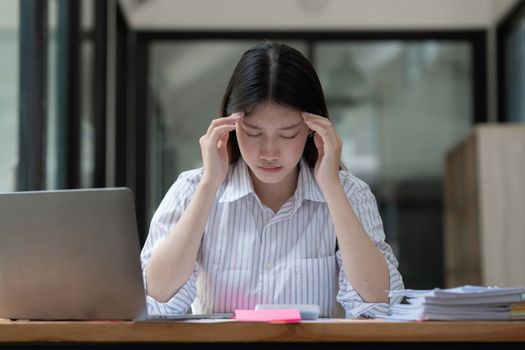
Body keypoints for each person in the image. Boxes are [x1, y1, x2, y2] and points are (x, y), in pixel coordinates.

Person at [140, 41, 404, 318]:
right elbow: (154, 297)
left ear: (314, 129)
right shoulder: (192, 190)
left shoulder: (349, 193)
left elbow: (380, 305)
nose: (269, 152)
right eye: (253, 133)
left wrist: (332, 187)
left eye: (288, 134)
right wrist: (209, 185)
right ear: (229, 126)